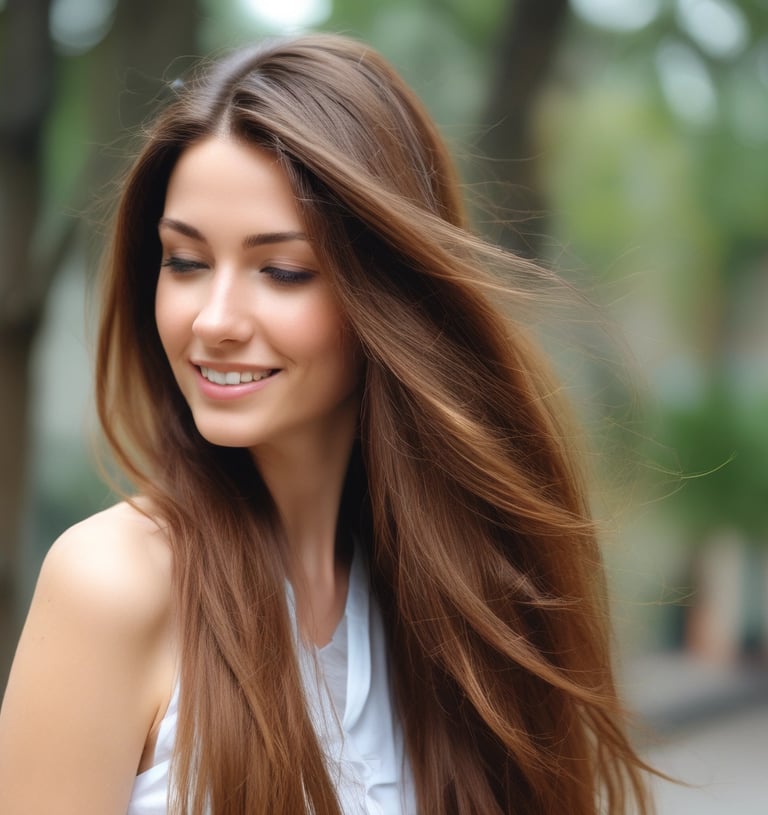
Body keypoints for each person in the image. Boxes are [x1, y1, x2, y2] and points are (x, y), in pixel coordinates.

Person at [0, 33, 654, 815]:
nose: (213, 320)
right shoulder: (112, 584)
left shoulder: (457, 598)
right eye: (185, 260)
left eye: (281, 270)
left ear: (388, 296)